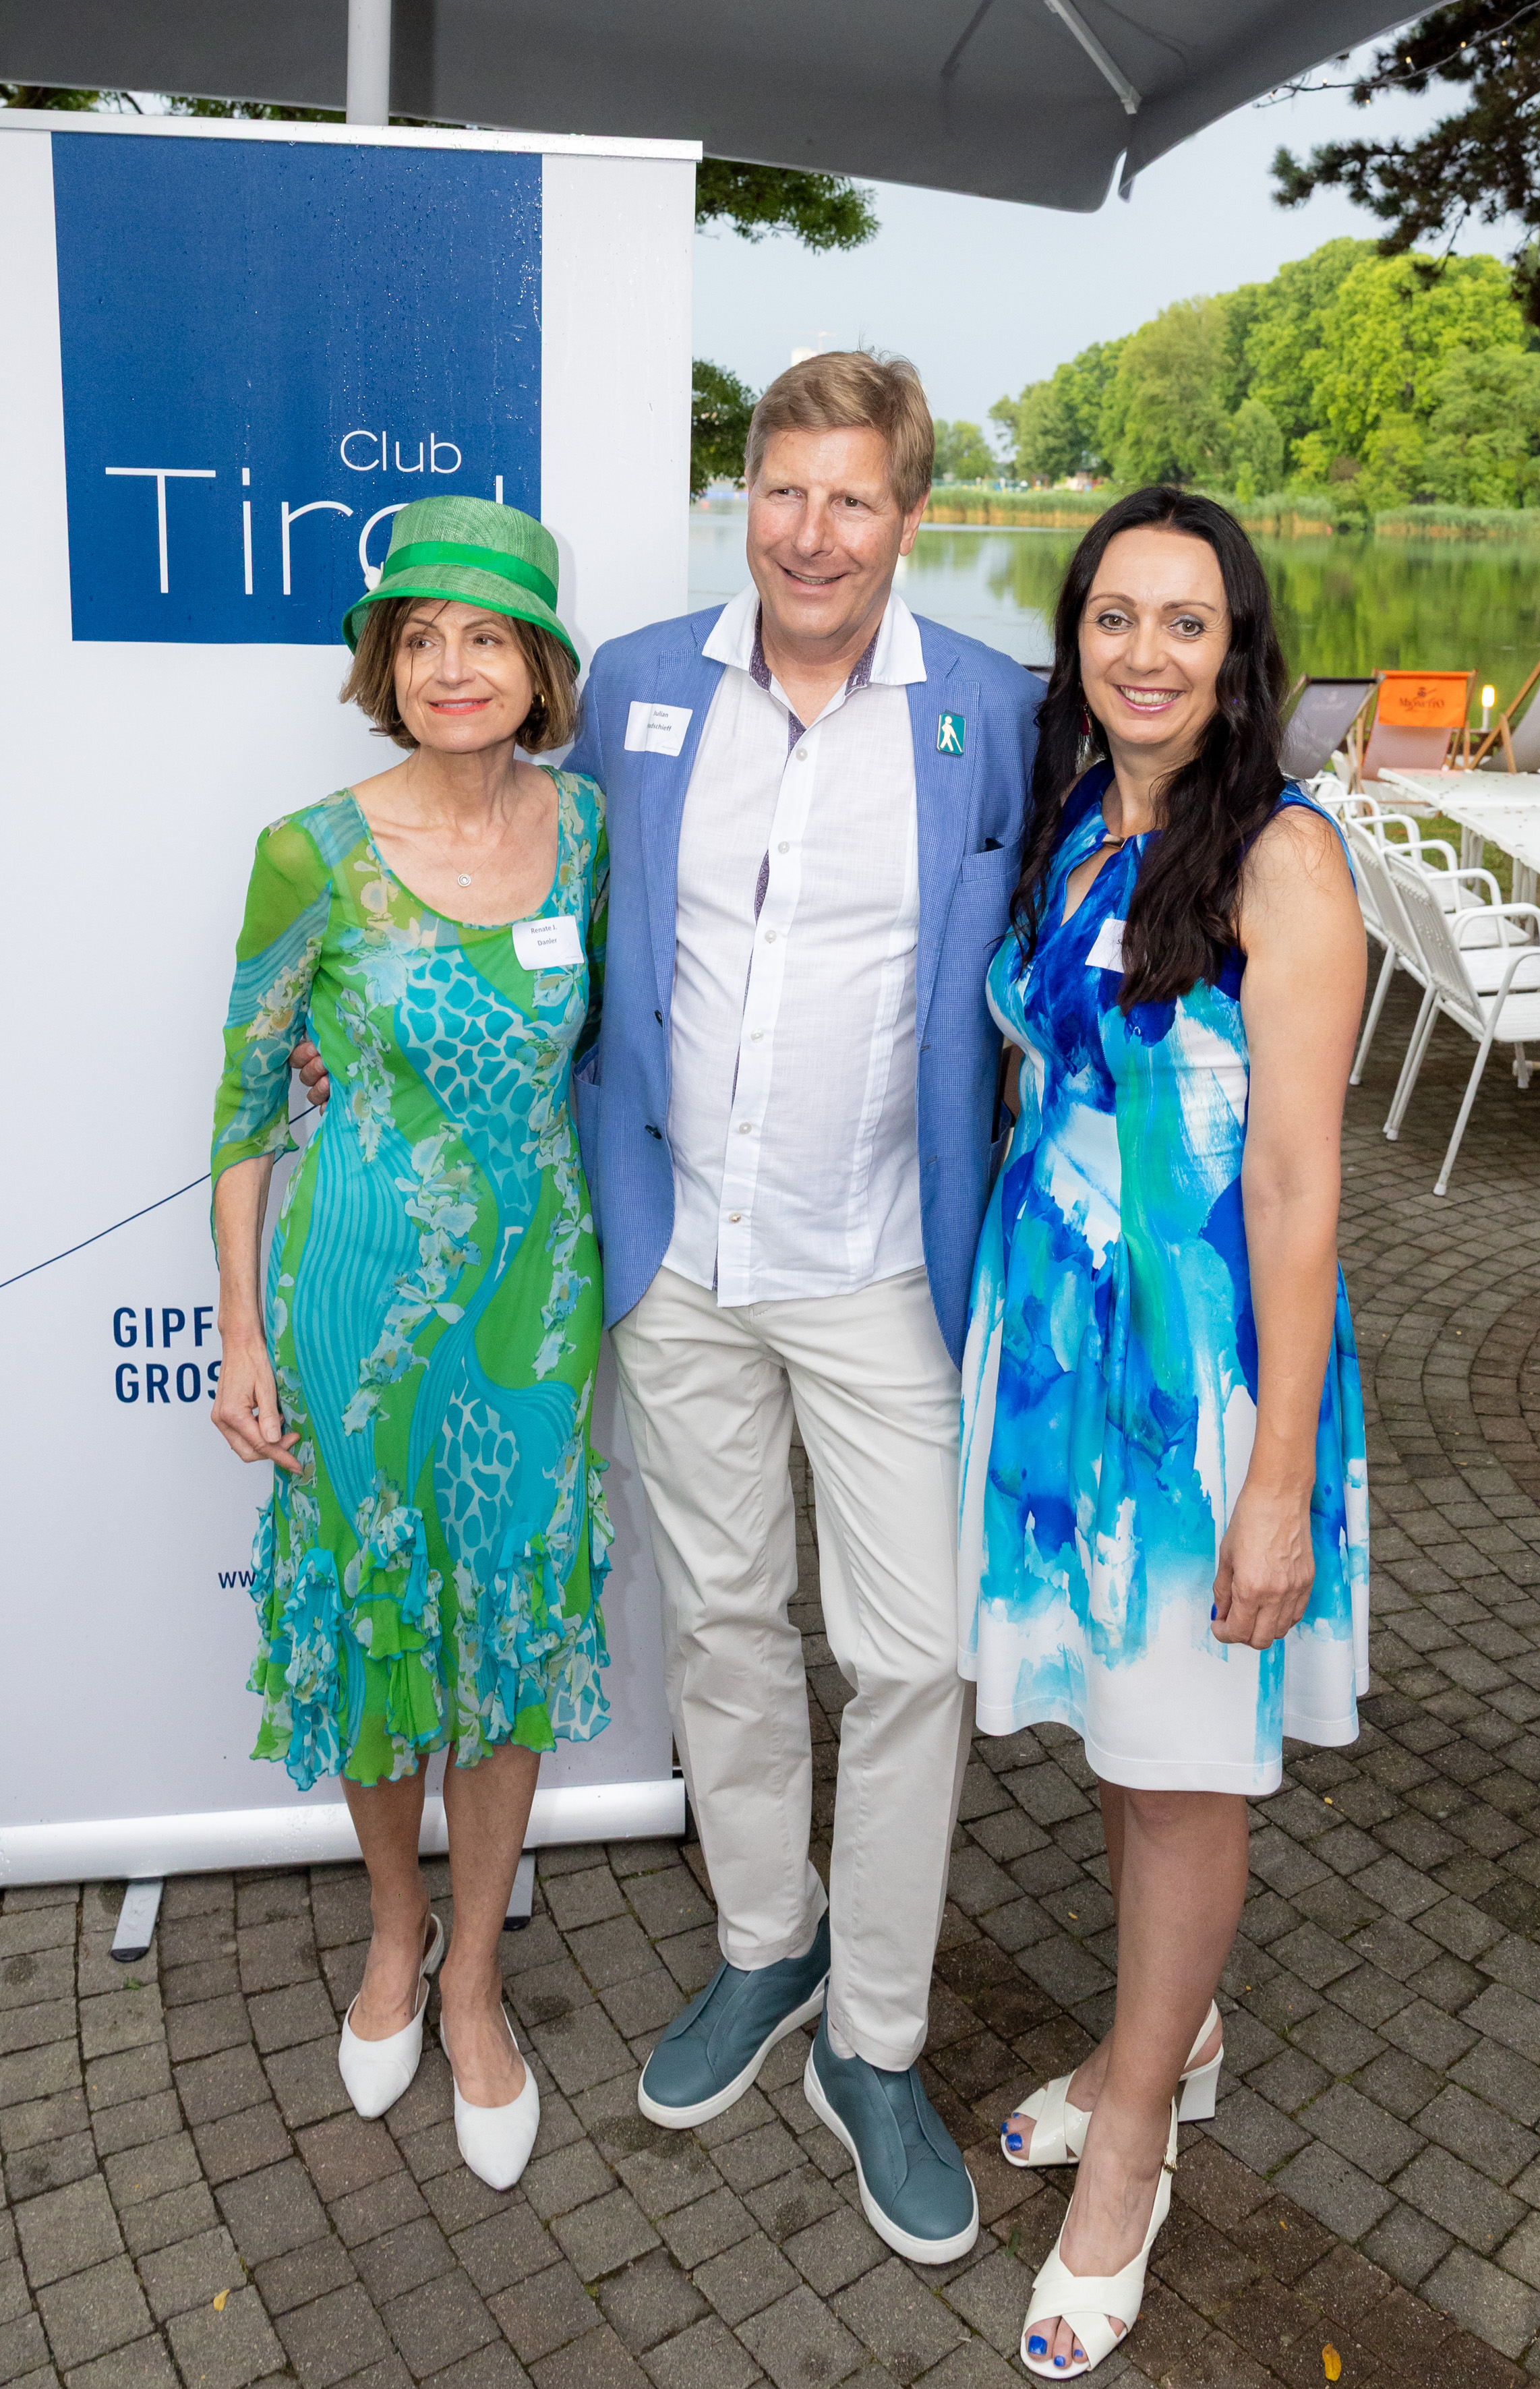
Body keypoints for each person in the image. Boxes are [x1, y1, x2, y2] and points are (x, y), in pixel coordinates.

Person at [296, 353, 1040, 2259]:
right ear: (746, 499)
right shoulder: (632, 685)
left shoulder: (988, 711)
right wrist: (355, 1038)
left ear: (908, 515)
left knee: (913, 1661)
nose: (812, 533)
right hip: (676, 1263)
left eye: (852, 498)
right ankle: (765, 1942)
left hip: (886, 1263)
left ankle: (875, 2041)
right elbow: (498, 887)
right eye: (783, 490)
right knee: (721, 1617)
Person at [956, 487, 1369, 2376]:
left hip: (1201, 1380)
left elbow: (1291, 1184)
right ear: (1076, 638)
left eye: (1183, 622)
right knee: (1127, 1744)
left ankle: (1134, 2134)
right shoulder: (1073, 823)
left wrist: (1275, 1476)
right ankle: (1168, 2029)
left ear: (1235, 650)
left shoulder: (1284, 859)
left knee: (1188, 1760)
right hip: (1059, 1344)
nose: (1144, 651)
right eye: (1113, 615)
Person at [211, 494, 612, 2193]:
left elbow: (612, 1044)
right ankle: (395, 1930)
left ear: (539, 668)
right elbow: (245, 1102)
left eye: (488, 636)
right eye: (422, 636)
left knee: (507, 1632)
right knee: (377, 1626)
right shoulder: (308, 851)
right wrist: (239, 1326)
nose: (453, 665)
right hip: (355, 1296)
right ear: (387, 664)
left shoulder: (588, 832)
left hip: (536, 1293)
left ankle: (472, 1980)